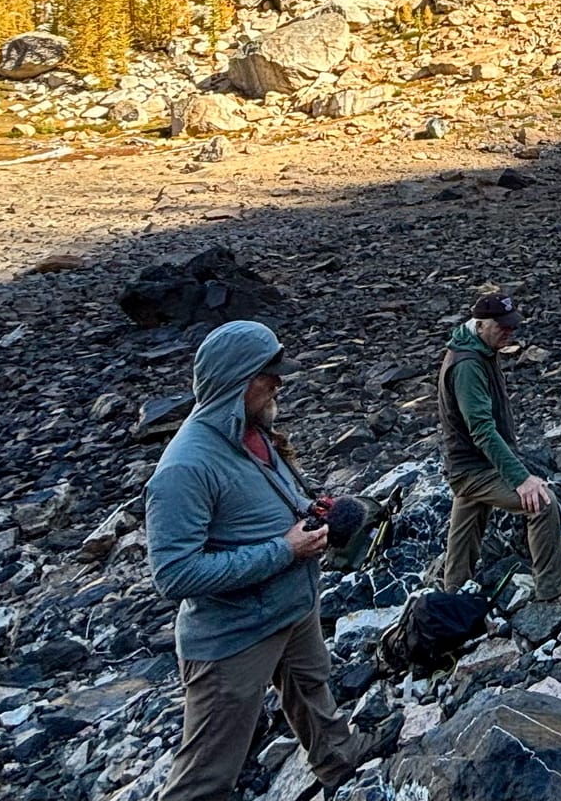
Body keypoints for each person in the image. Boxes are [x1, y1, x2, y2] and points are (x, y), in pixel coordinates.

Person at [145, 320, 399, 801]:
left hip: (291, 604)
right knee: (207, 771)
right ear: (238, 381)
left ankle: (340, 762)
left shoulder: (254, 431)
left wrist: (314, 511)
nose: (279, 383)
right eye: (270, 374)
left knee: (312, 689)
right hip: (233, 637)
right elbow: (173, 574)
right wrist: (285, 550)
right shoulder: (185, 467)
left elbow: (269, 502)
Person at [436, 294, 561, 601]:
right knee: (542, 504)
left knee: (466, 525)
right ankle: (551, 595)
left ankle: (452, 595)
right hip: (475, 467)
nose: (510, 332)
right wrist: (521, 479)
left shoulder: (478, 349)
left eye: (513, 326)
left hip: (471, 464)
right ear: (480, 325)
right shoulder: (468, 365)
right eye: (503, 326)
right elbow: (481, 430)